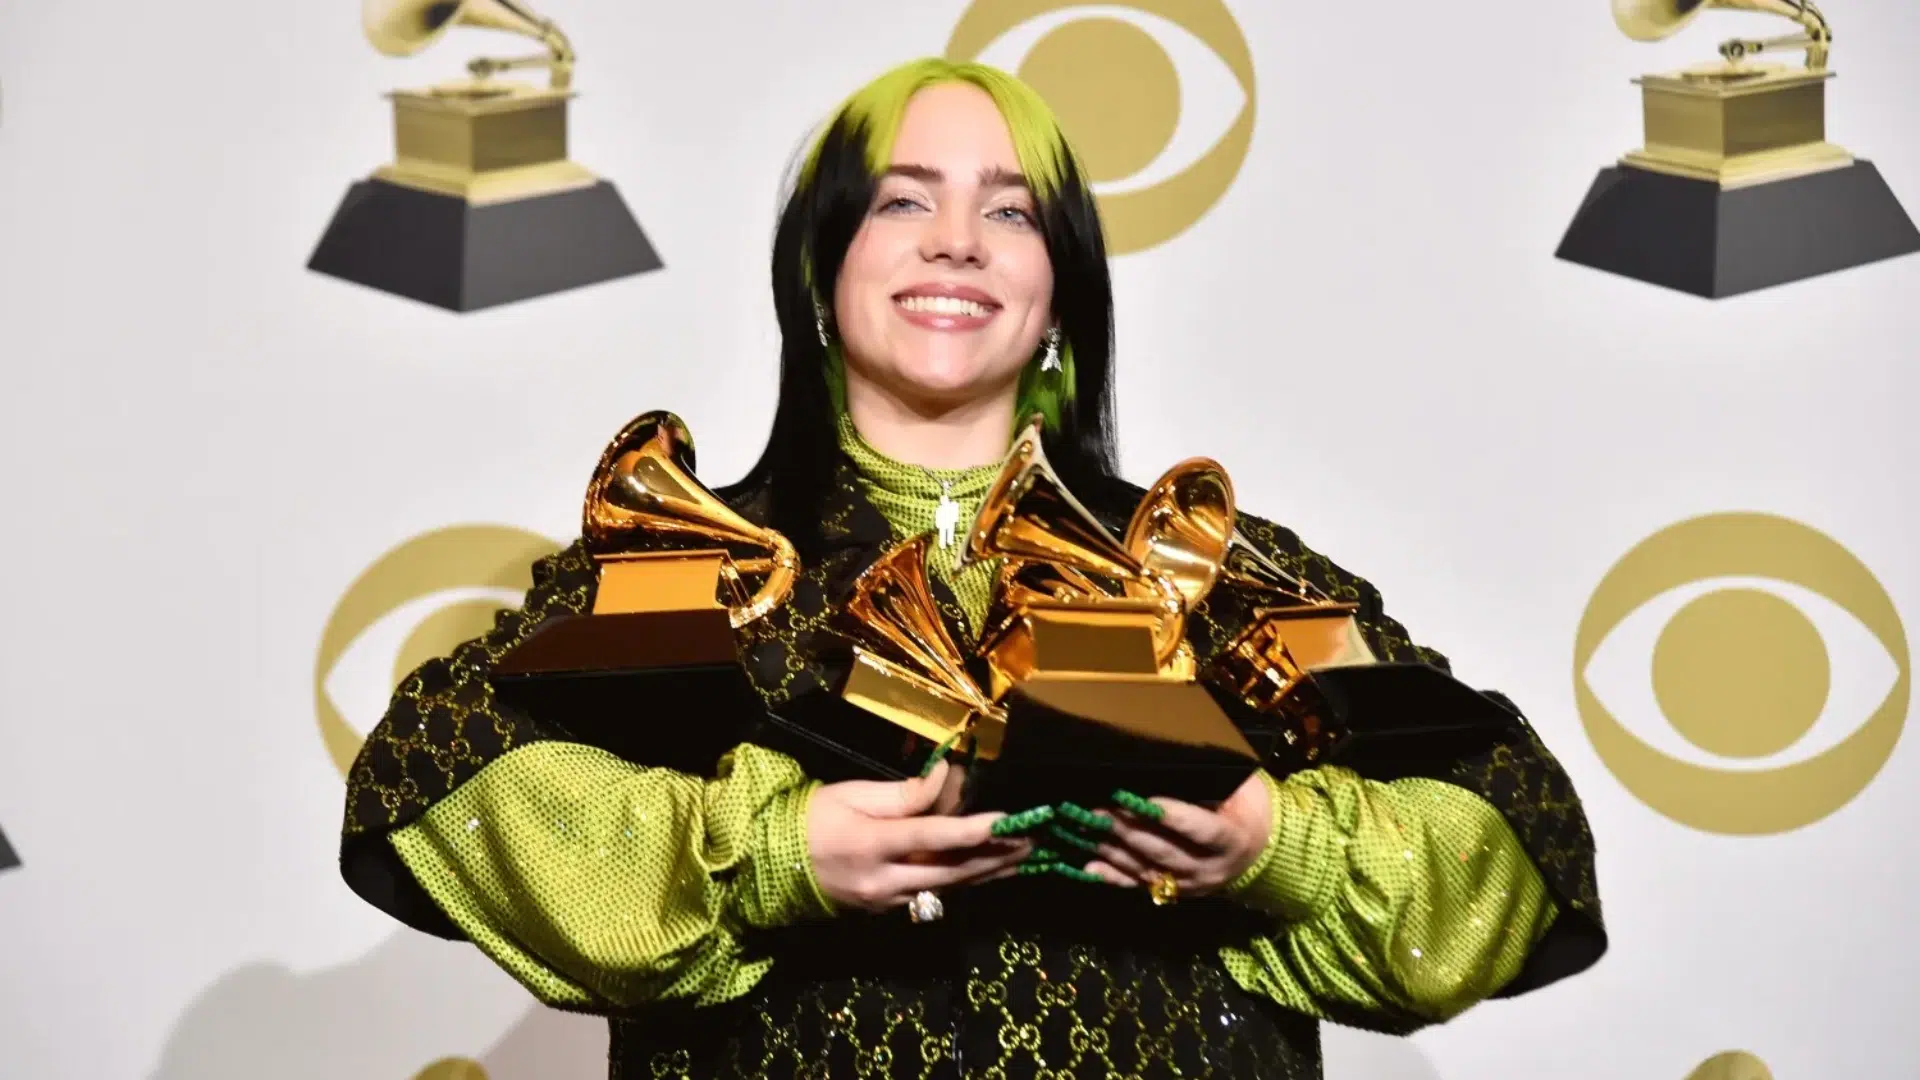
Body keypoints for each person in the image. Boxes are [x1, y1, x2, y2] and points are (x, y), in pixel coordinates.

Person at [338, 57, 1606, 1080]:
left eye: (1010, 210)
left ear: (1061, 300)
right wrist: (769, 852)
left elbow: (1512, 821)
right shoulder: (677, 563)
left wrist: (1275, 846)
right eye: (902, 201)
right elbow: (439, 771)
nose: (957, 242)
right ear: (821, 276)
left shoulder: (1231, 579)